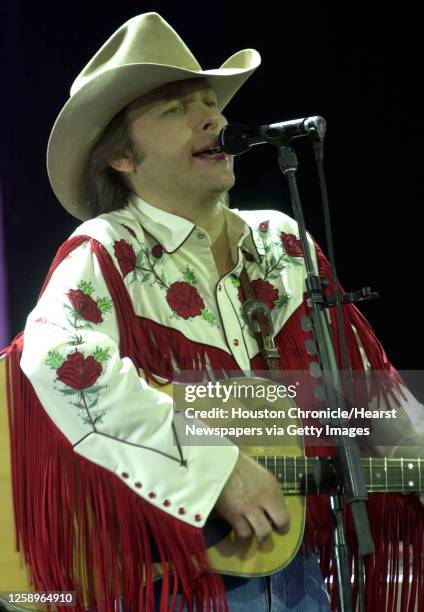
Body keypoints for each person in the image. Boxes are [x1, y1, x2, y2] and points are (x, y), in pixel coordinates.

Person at [4, 12, 424, 612]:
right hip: (173, 579)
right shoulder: (109, 247)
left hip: (294, 567)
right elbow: (55, 357)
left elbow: (365, 398)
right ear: (121, 156)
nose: (213, 118)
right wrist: (213, 466)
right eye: (175, 109)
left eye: (209, 101)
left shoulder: (280, 240)